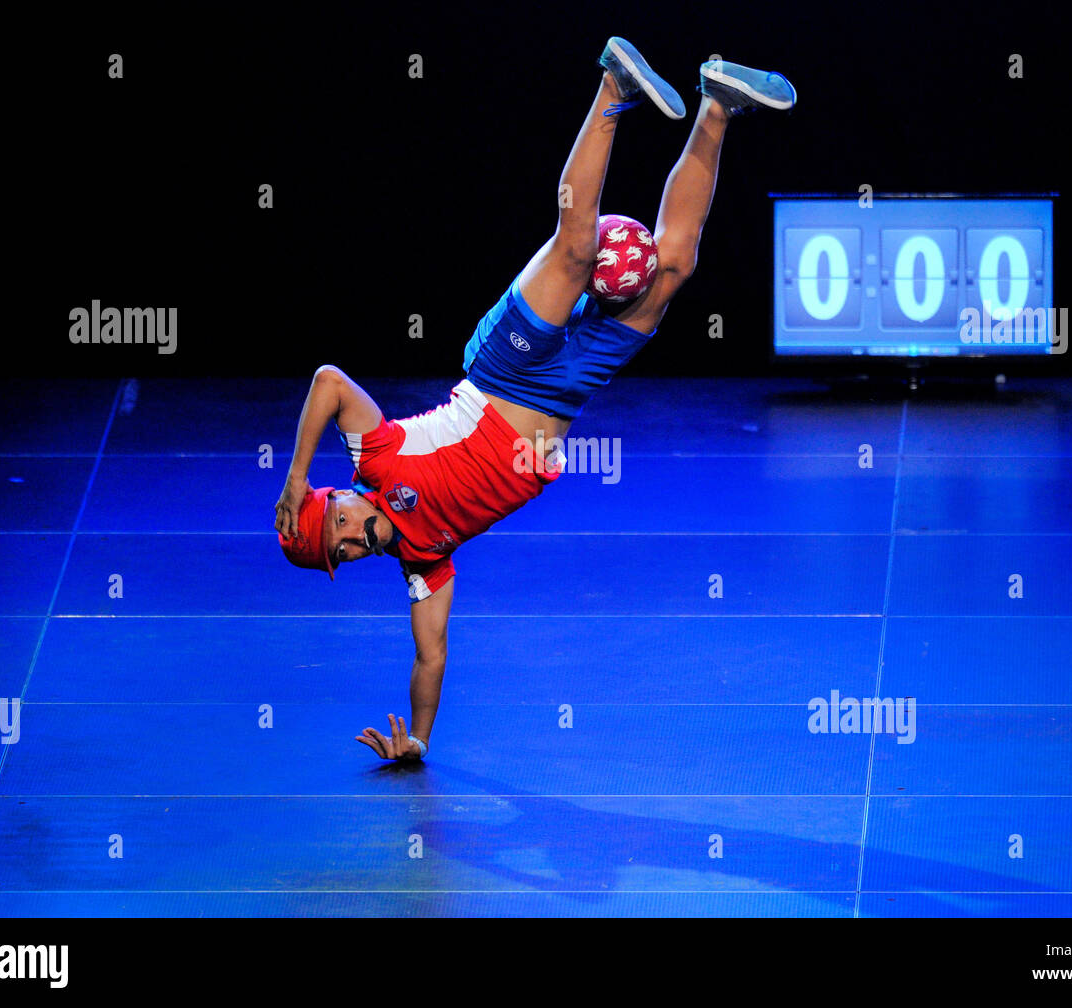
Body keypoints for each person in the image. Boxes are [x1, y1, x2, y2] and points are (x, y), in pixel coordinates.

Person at [273, 38, 795, 761]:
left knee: (577, 251)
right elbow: (430, 659)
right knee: (673, 266)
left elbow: (329, 380)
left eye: (342, 530)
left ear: (337, 500)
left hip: (500, 372)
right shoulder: (425, 561)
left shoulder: (377, 455)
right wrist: (417, 741)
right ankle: (717, 105)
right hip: (569, 393)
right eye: (346, 555)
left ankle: (613, 87)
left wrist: (294, 477)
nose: (357, 543)